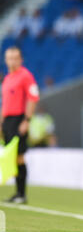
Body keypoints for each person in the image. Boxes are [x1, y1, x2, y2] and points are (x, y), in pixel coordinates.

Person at [1, 46, 40, 204]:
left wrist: (27, 120)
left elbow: (33, 97)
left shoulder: (25, 76)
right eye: (9, 58)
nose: (12, 61)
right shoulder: (7, 78)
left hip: (19, 119)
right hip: (8, 121)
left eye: (15, 58)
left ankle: (21, 194)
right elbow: (5, 103)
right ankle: (17, 192)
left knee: (19, 157)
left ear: (21, 60)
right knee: (12, 157)